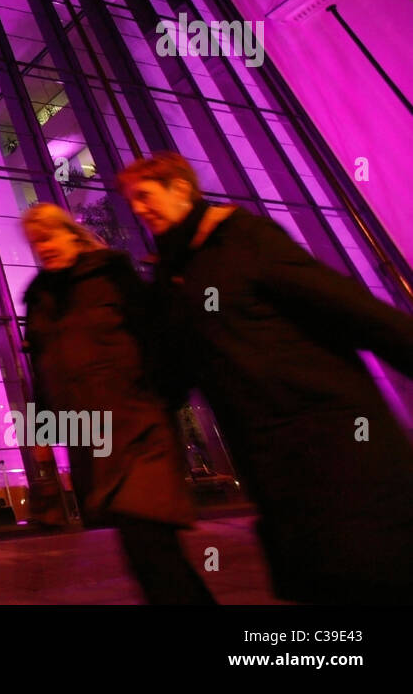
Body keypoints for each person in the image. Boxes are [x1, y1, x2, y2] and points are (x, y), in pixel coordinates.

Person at [118, 150, 413, 604]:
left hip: (334, 440)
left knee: (368, 572)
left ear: (180, 187)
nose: (138, 209)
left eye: (144, 195)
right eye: (131, 200)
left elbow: (348, 307)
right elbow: (170, 374)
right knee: (324, 580)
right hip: (271, 458)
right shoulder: (173, 274)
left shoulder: (242, 238)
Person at [20, 203, 216, 604]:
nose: (45, 248)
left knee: (150, 543)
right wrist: (40, 433)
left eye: (50, 237)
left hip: (138, 428)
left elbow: (159, 339)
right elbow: (43, 371)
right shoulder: (40, 298)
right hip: (93, 439)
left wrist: (161, 397)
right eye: (37, 243)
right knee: (144, 550)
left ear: (71, 234)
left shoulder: (113, 275)